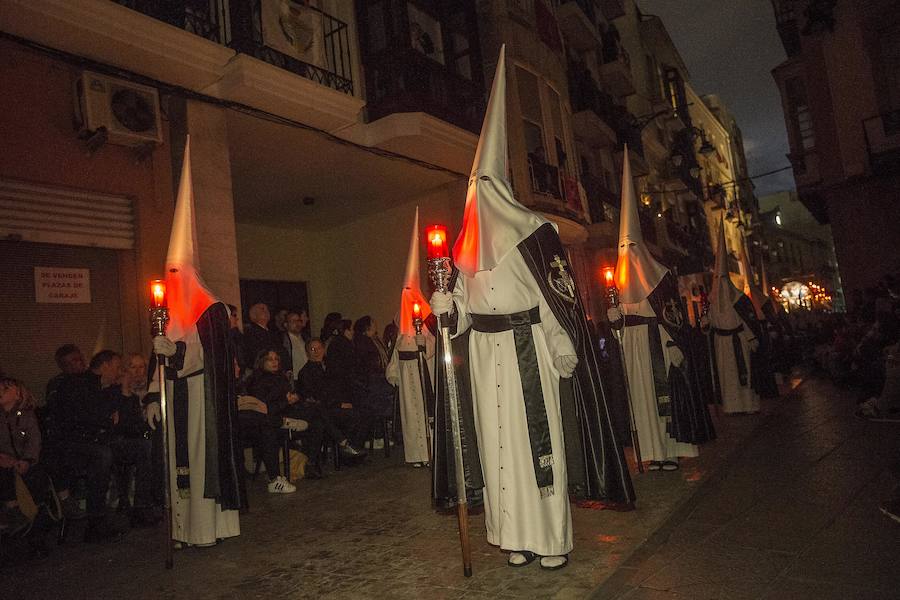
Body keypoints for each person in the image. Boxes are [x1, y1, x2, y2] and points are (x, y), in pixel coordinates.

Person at [430, 47, 634, 571]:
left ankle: (550, 538)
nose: (476, 195)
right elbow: (461, 313)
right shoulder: (463, 248)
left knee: (534, 444)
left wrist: (562, 343)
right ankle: (513, 536)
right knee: (497, 445)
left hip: (528, 349)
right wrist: (444, 303)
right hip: (484, 356)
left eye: (483, 185)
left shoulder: (535, 235)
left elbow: (555, 300)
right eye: (472, 187)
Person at [144, 137, 243, 547]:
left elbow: (208, 355)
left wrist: (177, 353)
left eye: (177, 273)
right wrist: (153, 395)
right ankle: (182, 530)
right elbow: (157, 361)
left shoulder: (211, 310)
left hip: (202, 398)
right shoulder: (166, 314)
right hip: (175, 395)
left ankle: (207, 529)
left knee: (203, 460)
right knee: (177, 463)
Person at [606, 152, 714, 471]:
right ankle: (652, 452)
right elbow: (620, 327)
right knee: (643, 402)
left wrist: (674, 345)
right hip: (634, 350)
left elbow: (673, 317)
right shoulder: (619, 284)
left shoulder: (661, 277)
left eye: (630, 248)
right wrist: (615, 321)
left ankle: (670, 451)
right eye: (622, 248)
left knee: (665, 399)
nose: (625, 254)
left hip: (659, 346)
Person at [386, 207, 435, 466]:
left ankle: (431, 452)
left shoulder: (425, 323)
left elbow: (433, 347)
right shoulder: (401, 326)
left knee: (426, 411)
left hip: (422, 373)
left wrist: (424, 345)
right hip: (407, 377)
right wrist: (394, 373)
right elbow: (395, 354)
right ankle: (416, 455)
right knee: (411, 415)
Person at [707, 221, 760, 414]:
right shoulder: (713, 303)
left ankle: (748, 405)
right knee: (727, 376)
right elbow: (710, 323)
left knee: (743, 373)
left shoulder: (738, 299)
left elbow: (748, 321)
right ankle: (732, 407)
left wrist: (750, 338)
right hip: (722, 344)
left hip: (739, 341)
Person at [296, 339, 366, 466]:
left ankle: (351, 453)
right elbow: (316, 396)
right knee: (351, 415)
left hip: (333, 405)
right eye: (312, 349)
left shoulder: (330, 367)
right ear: (307, 352)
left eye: (319, 348)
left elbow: (338, 388)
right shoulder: (306, 373)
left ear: (324, 349)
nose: (316, 352)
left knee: (361, 412)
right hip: (323, 409)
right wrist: (338, 404)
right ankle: (345, 448)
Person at [244, 351, 299, 493]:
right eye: (270, 359)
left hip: (283, 413)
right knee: (268, 429)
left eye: (276, 359)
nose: (274, 362)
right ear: (262, 361)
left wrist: (293, 399)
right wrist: (285, 401)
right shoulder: (256, 381)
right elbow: (264, 408)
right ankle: (274, 479)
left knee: (317, 413)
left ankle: (310, 464)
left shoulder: (281, 377)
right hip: (265, 419)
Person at [0, 377, 49, 535]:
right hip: (4, 461)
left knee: (36, 478)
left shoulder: (27, 416)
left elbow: (34, 440)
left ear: (18, 394)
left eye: (5, 389)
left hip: (25, 460)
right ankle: (12, 509)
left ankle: (37, 523)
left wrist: (27, 460)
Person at [283, 310, 310, 379]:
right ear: (286, 324)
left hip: (308, 377)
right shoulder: (283, 341)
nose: (297, 323)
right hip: (294, 378)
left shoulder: (306, 338)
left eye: (299, 320)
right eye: (293, 321)